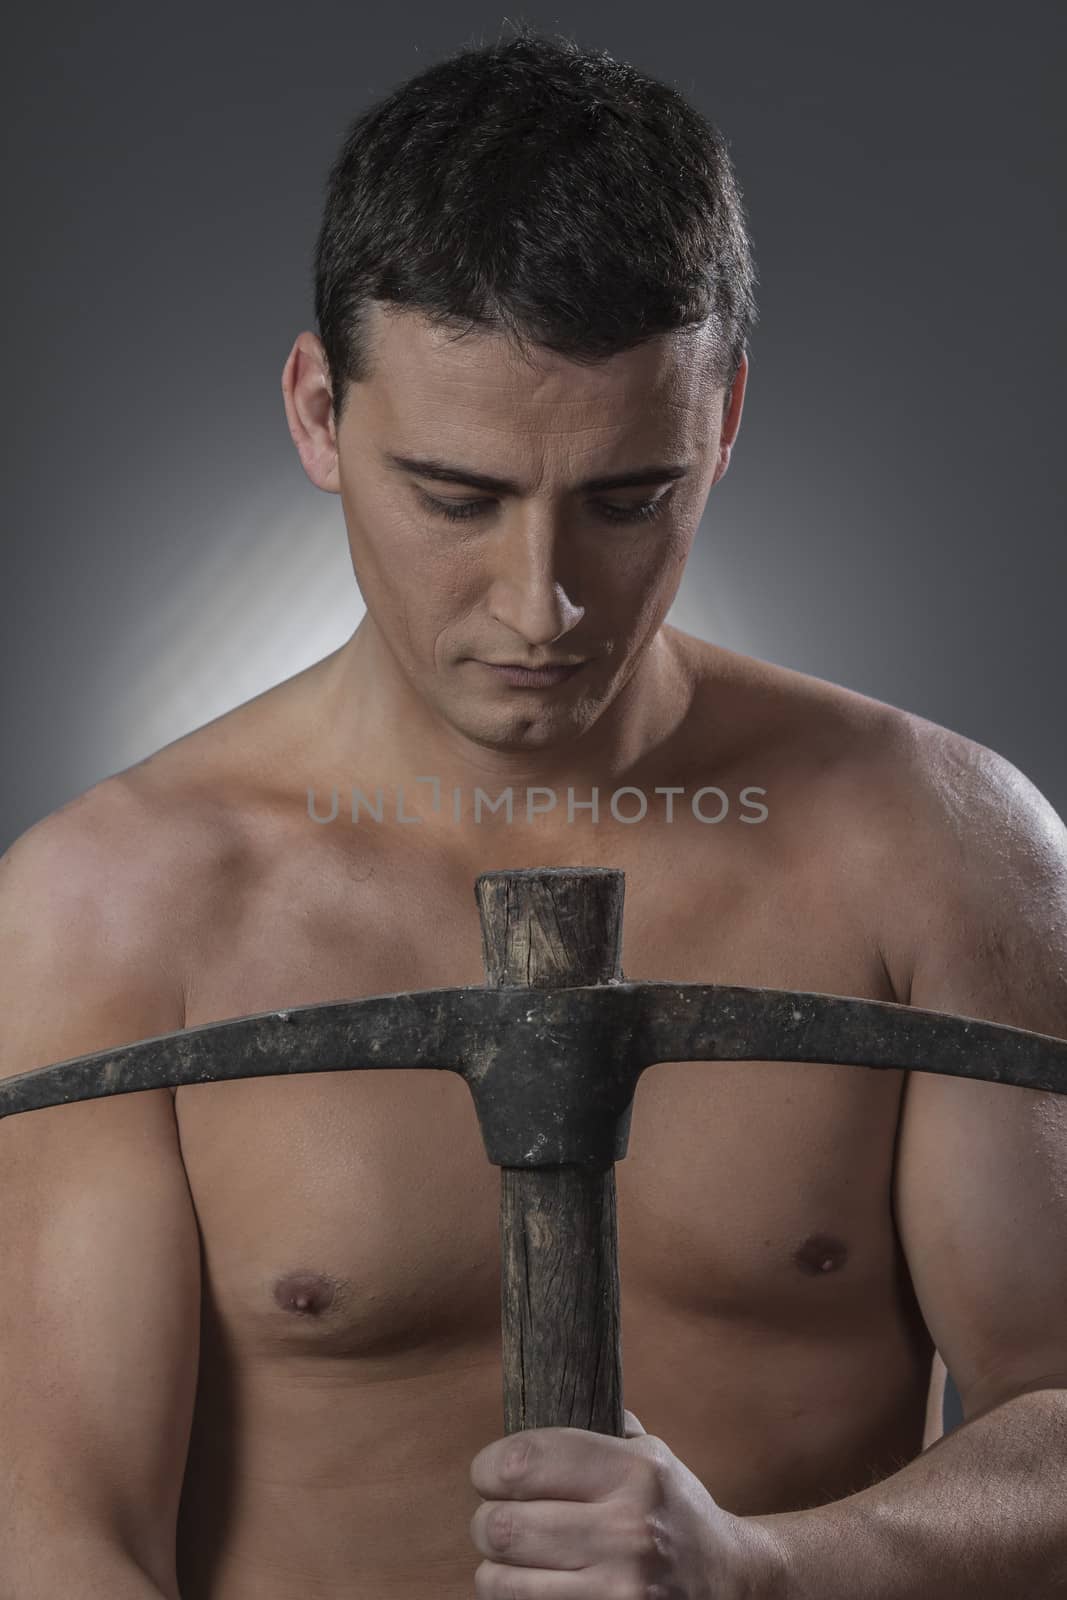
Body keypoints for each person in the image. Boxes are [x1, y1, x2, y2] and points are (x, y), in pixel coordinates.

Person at [2, 22, 1066, 1600]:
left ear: (723, 423)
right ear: (315, 413)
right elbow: (61, 1540)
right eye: (456, 496)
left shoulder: (939, 850)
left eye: (627, 500)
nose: (542, 602)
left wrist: (767, 1570)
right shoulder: (111, 913)